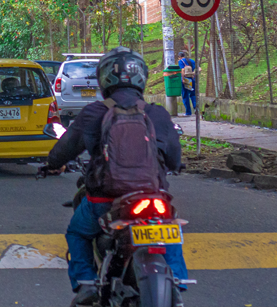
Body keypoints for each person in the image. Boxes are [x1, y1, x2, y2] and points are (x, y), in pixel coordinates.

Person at [41, 47, 187, 305]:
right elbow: (175, 158)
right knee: (168, 228)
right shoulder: (157, 113)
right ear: (141, 77)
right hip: (153, 196)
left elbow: (65, 148)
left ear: (104, 79)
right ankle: (177, 278)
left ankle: (86, 282)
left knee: (77, 232)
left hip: (105, 201)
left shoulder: (94, 113)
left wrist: (51, 164)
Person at [178, 50, 198, 117]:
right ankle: (196, 108)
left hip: (186, 80)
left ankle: (188, 112)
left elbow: (182, 70)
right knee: (193, 94)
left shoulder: (181, 61)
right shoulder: (192, 61)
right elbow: (199, 69)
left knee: (185, 95)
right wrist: (193, 74)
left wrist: (183, 79)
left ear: (180, 56)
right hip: (192, 79)